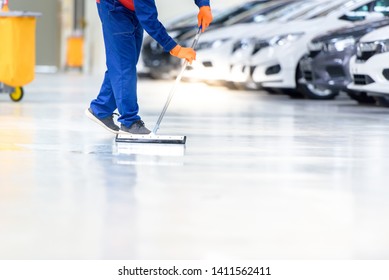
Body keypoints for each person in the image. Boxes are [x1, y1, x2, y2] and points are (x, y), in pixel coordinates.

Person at [86, 0, 213, 134]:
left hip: (132, 5)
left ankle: (101, 108)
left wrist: (204, 5)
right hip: (113, 6)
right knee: (124, 64)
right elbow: (148, 19)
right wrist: (176, 49)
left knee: (125, 61)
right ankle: (129, 122)